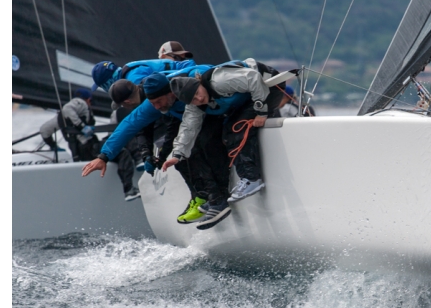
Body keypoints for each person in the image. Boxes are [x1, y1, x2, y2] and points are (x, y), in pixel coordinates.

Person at [82, 72, 249, 224]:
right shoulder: (158, 101)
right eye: (152, 103)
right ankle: (208, 198)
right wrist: (104, 156)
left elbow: (228, 72)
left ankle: (219, 199)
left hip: (234, 110)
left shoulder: (186, 84)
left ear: (170, 93)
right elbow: (130, 124)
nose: (156, 107)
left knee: (203, 144)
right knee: (182, 154)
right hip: (202, 118)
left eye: (157, 102)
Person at [161, 59, 282, 226]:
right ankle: (246, 178)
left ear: (199, 83)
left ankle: (251, 178)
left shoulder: (218, 81)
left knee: (235, 130)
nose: (199, 99)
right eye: (193, 100)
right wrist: (178, 154)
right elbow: (188, 128)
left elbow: (253, 78)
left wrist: (262, 111)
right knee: (225, 134)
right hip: (250, 95)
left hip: (269, 85)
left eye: (198, 93)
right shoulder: (195, 106)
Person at [41, 88, 139, 201]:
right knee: (122, 151)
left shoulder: (60, 118)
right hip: (90, 149)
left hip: (79, 154)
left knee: (113, 143)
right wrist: (82, 127)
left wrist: (54, 147)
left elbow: (44, 130)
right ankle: (129, 188)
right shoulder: (79, 103)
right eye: (90, 102)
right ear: (88, 100)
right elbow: (68, 109)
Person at [90, 57, 196, 94]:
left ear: (109, 82)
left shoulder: (133, 80)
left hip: (190, 78)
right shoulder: (128, 70)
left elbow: (147, 101)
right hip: (186, 75)